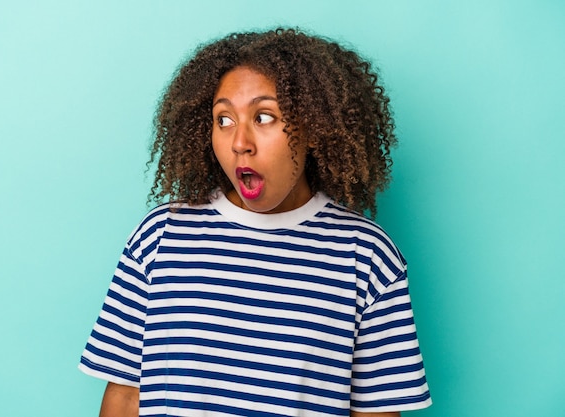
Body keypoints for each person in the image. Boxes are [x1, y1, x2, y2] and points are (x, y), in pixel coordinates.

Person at [79, 28, 432, 417]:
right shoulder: (159, 237)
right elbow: (127, 397)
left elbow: (377, 412)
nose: (239, 142)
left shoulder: (366, 257)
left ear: (314, 128)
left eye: (264, 117)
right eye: (224, 119)